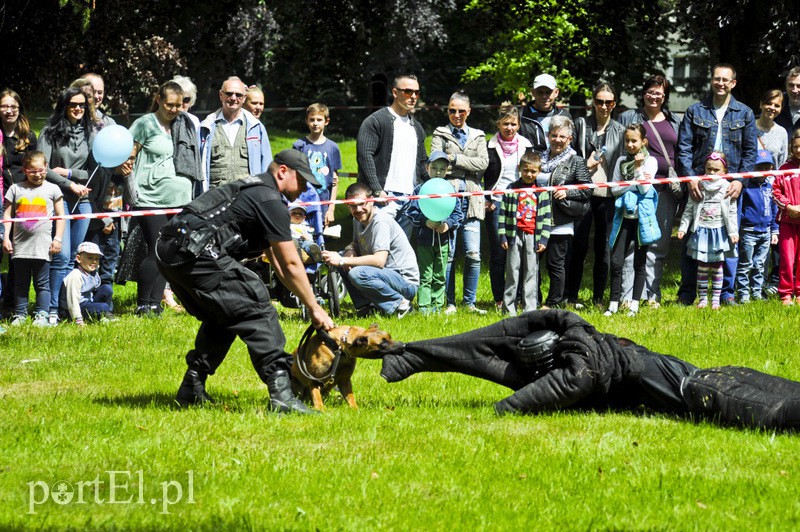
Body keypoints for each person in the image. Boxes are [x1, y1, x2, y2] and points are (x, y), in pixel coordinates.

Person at [375, 309, 800, 431]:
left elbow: (528, 399)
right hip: (682, 369)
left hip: (685, 386)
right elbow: (493, 339)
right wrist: (411, 353)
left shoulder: (582, 371)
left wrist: (504, 410)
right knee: (735, 376)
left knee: (757, 404)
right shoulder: (578, 331)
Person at [156, 149, 334, 414]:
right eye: (303, 180)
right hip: (196, 253)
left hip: (170, 251)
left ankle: (192, 386)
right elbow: (291, 263)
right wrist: (315, 308)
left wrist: (311, 305)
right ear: (283, 171)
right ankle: (282, 394)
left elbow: (278, 263)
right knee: (256, 304)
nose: (305, 188)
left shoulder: (254, 189)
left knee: (227, 311)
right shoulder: (270, 200)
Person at [676, 63, 757, 306]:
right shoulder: (695, 111)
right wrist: (690, 178)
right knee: (692, 237)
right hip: (699, 186)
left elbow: (750, 152)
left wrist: (739, 181)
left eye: (725, 80)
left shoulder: (744, 113)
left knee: (730, 239)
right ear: (712, 81)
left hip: (729, 188)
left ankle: (727, 293)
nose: (720, 83)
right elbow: (684, 148)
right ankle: (688, 292)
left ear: (733, 83)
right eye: (716, 79)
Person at [127, 81, 201, 316]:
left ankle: (155, 305)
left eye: (179, 105)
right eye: (170, 104)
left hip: (179, 199)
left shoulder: (184, 124)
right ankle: (143, 303)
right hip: (150, 198)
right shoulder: (144, 124)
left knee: (168, 252)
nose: (174, 109)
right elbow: (128, 155)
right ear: (158, 100)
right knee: (155, 248)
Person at [617, 75, 682, 307]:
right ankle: (627, 296)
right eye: (650, 91)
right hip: (635, 190)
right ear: (643, 93)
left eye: (659, 93)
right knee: (632, 243)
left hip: (663, 190)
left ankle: (651, 296)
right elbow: (619, 152)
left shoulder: (675, 121)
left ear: (665, 97)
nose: (654, 96)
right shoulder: (629, 118)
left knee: (658, 244)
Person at [38, 87, 95, 325]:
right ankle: (51, 310)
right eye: (73, 104)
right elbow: (43, 168)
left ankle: (68, 307)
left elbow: (94, 170)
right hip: (57, 201)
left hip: (83, 201)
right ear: (64, 106)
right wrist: (69, 184)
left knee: (75, 257)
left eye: (82, 105)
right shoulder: (49, 132)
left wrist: (72, 173)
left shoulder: (91, 133)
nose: (78, 109)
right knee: (60, 257)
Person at [566, 82, 625, 307]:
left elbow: (623, 164)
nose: (603, 106)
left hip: (608, 196)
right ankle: (571, 296)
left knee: (604, 248)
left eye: (608, 102)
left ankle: (599, 297)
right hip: (583, 193)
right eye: (599, 101)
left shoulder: (619, 130)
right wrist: (586, 164)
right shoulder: (581, 126)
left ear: (614, 104)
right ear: (593, 102)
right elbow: (571, 157)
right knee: (578, 245)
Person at [430, 91, 489, 315]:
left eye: (461, 111)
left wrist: (453, 158)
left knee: (473, 253)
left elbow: (483, 164)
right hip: (448, 199)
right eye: (452, 110)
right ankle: (450, 302)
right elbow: (436, 162)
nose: (456, 115)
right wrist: (465, 164)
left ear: (469, 111)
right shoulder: (440, 133)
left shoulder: (479, 135)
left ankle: (469, 303)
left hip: (473, 199)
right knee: (449, 254)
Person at [322, 182, 418, 318]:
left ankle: (401, 305)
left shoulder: (380, 222)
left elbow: (379, 260)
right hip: (384, 276)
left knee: (355, 272)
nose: (359, 209)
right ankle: (365, 307)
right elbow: (356, 242)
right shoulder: (358, 219)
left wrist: (343, 261)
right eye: (353, 206)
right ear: (348, 206)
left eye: (362, 204)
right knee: (339, 258)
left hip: (405, 283)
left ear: (372, 201)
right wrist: (349, 250)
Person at [356, 74, 428, 234]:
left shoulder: (417, 127)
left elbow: (423, 163)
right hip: (383, 199)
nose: (413, 96)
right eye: (408, 92)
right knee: (376, 251)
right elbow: (365, 157)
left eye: (417, 92)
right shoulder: (375, 121)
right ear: (395, 93)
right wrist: (376, 190)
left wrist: (434, 188)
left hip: (409, 200)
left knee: (399, 254)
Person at [3, 151, 65, 327]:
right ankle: (20, 314)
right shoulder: (15, 189)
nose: (37, 174)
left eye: (41, 170)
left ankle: (42, 314)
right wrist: (5, 238)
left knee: (42, 283)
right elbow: (7, 215)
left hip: (43, 247)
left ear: (46, 168)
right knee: (20, 283)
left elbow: (61, 216)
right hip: (20, 247)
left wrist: (58, 239)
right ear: (24, 170)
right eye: (32, 171)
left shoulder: (53, 189)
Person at [605, 124, 660, 317]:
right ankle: (613, 304)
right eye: (627, 140)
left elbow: (645, 189)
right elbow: (614, 189)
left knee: (639, 262)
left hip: (642, 218)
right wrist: (634, 184)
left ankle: (635, 304)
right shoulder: (621, 160)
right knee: (616, 260)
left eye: (634, 140)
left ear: (643, 142)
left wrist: (637, 169)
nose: (630, 144)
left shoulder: (651, 161)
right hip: (623, 217)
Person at [484, 103, 534, 310]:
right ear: (498, 124)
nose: (509, 128)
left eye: (513, 124)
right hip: (496, 204)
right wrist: (486, 198)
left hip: (522, 203)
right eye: (505, 124)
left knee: (521, 252)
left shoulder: (526, 145)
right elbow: (482, 175)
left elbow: (532, 171)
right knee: (499, 253)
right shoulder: (489, 146)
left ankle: (521, 296)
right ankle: (499, 298)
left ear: (519, 124)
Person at [538, 116, 591, 308]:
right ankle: (533, 299)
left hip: (561, 221)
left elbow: (587, 189)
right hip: (537, 219)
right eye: (554, 135)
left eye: (562, 136)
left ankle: (554, 303)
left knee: (555, 265)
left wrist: (567, 191)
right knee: (533, 263)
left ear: (569, 139)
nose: (557, 140)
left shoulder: (576, 160)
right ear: (548, 136)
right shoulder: (539, 158)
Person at [677, 152, 739, 310]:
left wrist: (733, 232)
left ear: (724, 171)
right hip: (701, 231)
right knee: (702, 266)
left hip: (719, 231)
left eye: (716, 170)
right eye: (708, 169)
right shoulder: (699, 185)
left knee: (718, 266)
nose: (712, 173)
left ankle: (716, 299)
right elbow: (689, 209)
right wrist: (683, 227)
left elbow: (732, 212)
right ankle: (703, 298)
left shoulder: (727, 186)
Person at [404, 151, 464, 314]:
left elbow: (458, 213)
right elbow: (410, 212)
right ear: (427, 168)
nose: (438, 172)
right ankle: (424, 306)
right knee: (426, 274)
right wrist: (425, 221)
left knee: (439, 274)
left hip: (444, 240)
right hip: (424, 240)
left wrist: (448, 224)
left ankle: (437, 305)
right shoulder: (420, 190)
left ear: (447, 171)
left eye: (442, 169)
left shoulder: (450, 190)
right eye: (434, 168)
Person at [498, 151, 552, 315]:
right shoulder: (512, 188)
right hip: (514, 235)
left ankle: (530, 309)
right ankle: (509, 309)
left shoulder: (541, 192)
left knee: (531, 272)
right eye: (526, 170)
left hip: (533, 236)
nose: (529, 174)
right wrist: (503, 235)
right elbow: (503, 214)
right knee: (512, 271)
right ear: (519, 168)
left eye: (533, 171)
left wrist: (543, 238)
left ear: (539, 171)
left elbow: (547, 217)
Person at [199, 76, 272, 190]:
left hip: (246, 198)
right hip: (214, 198)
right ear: (220, 95)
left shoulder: (257, 128)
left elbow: (267, 166)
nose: (233, 98)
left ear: (244, 98)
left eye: (238, 95)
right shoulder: (206, 127)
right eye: (229, 94)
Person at [736, 150, 778, 303]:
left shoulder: (769, 187)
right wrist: (737, 230)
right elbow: (740, 210)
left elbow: (774, 210)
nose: (763, 171)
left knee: (760, 265)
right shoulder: (746, 188)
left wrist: (774, 230)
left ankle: (757, 292)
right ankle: (743, 294)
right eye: (759, 167)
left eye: (767, 167)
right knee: (745, 264)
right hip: (748, 231)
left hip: (765, 232)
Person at [292, 103, 342, 227]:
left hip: (323, 204)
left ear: (326, 121)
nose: (315, 123)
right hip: (302, 203)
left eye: (319, 120)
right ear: (306, 121)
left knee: (321, 239)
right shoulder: (299, 145)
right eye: (312, 119)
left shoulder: (333, 148)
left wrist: (331, 209)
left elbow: (335, 182)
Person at [58, 241, 115, 325]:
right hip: (71, 310)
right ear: (78, 258)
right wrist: (78, 320)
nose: (94, 261)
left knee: (106, 289)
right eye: (90, 258)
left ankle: (103, 315)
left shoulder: (93, 273)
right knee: (103, 307)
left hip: (86, 303)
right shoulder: (76, 276)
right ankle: (101, 314)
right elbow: (72, 301)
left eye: (96, 259)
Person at [774, 130, 800, 305]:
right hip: (787, 221)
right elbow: (775, 192)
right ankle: (785, 293)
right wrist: (788, 206)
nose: (798, 150)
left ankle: (799, 293)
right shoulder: (784, 168)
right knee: (787, 258)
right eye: (796, 146)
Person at [518, 74, 572, 153]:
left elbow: (571, 144)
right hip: (530, 164)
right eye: (540, 92)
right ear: (533, 92)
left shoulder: (564, 116)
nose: (544, 96)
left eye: (548, 92)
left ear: (556, 92)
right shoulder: (521, 116)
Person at [775, 66, 800, 140]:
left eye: (799, 86)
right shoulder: (775, 103)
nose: (795, 90)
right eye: (791, 85)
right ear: (786, 86)